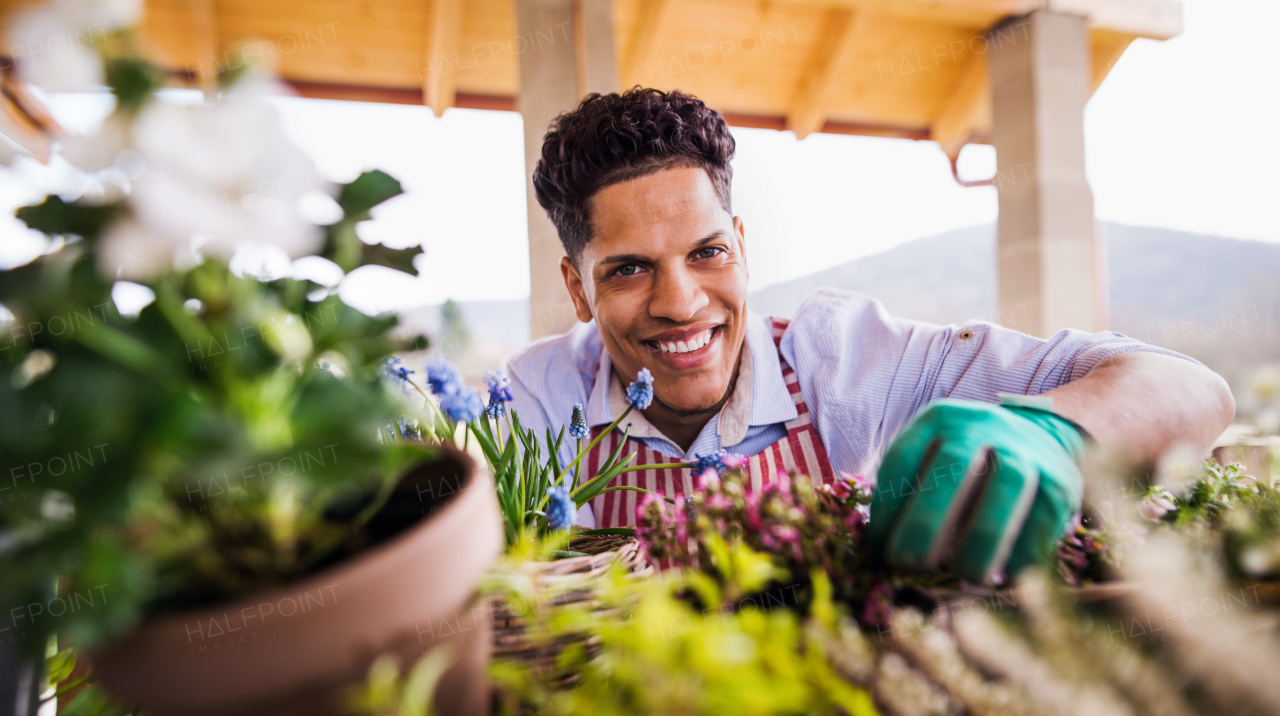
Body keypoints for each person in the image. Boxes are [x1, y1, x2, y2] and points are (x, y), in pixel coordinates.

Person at [505, 88, 1235, 583]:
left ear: (743, 249)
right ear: (578, 288)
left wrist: (1054, 434)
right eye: (630, 269)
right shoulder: (541, 400)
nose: (682, 301)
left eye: (708, 252)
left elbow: (1192, 390)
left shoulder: (848, 361)